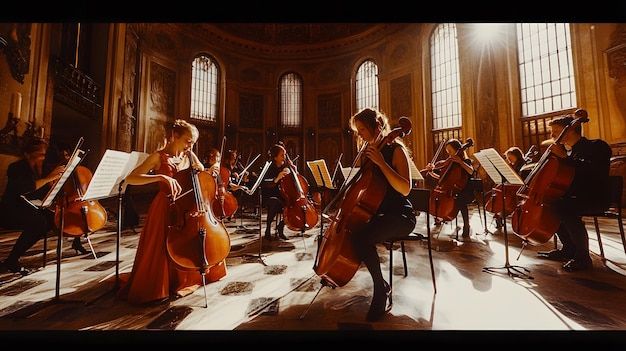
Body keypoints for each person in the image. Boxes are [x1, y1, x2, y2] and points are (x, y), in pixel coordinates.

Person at [117, 119, 226, 305]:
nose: (191, 146)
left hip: (186, 207)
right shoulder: (158, 157)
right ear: (175, 136)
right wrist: (160, 177)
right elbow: (131, 178)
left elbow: (200, 175)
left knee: (185, 241)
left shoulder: (189, 156)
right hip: (164, 207)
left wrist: (205, 171)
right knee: (159, 248)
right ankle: (160, 285)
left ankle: (184, 277)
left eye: (193, 142)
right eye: (188, 141)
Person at [348, 108, 416, 321]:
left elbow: (405, 188)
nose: (359, 134)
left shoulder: (395, 149)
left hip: (400, 216)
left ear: (376, 126)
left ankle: (380, 289)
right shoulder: (371, 152)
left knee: (362, 238)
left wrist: (381, 163)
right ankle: (381, 285)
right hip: (379, 214)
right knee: (353, 235)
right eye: (357, 130)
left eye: (361, 129)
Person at [537, 110, 612, 272]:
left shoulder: (597, 146)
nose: (553, 136)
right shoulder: (569, 152)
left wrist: (564, 158)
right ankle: (568, 248)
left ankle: (582, 256)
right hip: (575, 197)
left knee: (562, 207)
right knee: (551, 205)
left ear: (570, 129)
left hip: (596, 197)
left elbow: (592, 173)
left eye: (555, 132)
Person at [0, 138, 66, 274]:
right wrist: (48, 178)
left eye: (44, 155)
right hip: (10, 209)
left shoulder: (40, 169)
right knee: (38, 222)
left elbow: (40, 191)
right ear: (27, 154)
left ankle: (12, 260)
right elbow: (25, 188)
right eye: (39, 155)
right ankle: (12, 260)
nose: (42, 158)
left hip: (26, 206)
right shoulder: (16, 168)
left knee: (49, 219)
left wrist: (50, 185)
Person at [425, 138, 475, 238]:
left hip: (465, 190)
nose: (449, 154)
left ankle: (466, 225)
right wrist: (431, 172)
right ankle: (440, 216)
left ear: (457, 150)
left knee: (460, 200)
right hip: (452, 190)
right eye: (447, 152)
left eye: (450, 151)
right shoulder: (449, 163)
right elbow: (442, 179)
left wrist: (461, 162)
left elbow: (471, 171)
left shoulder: (466, 161)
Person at [261, 144, 290, 241]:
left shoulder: (285, 167)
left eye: (285, 155)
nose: (284, 157)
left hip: (282, 197)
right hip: (269, 197)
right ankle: (268, 229)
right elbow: (264, 183)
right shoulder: (268, 167)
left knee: (293, 204)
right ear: (275, 157)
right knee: (274, 202)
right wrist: (277, 178)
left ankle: (281, 227)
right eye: (282, 155)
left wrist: (292, 171)